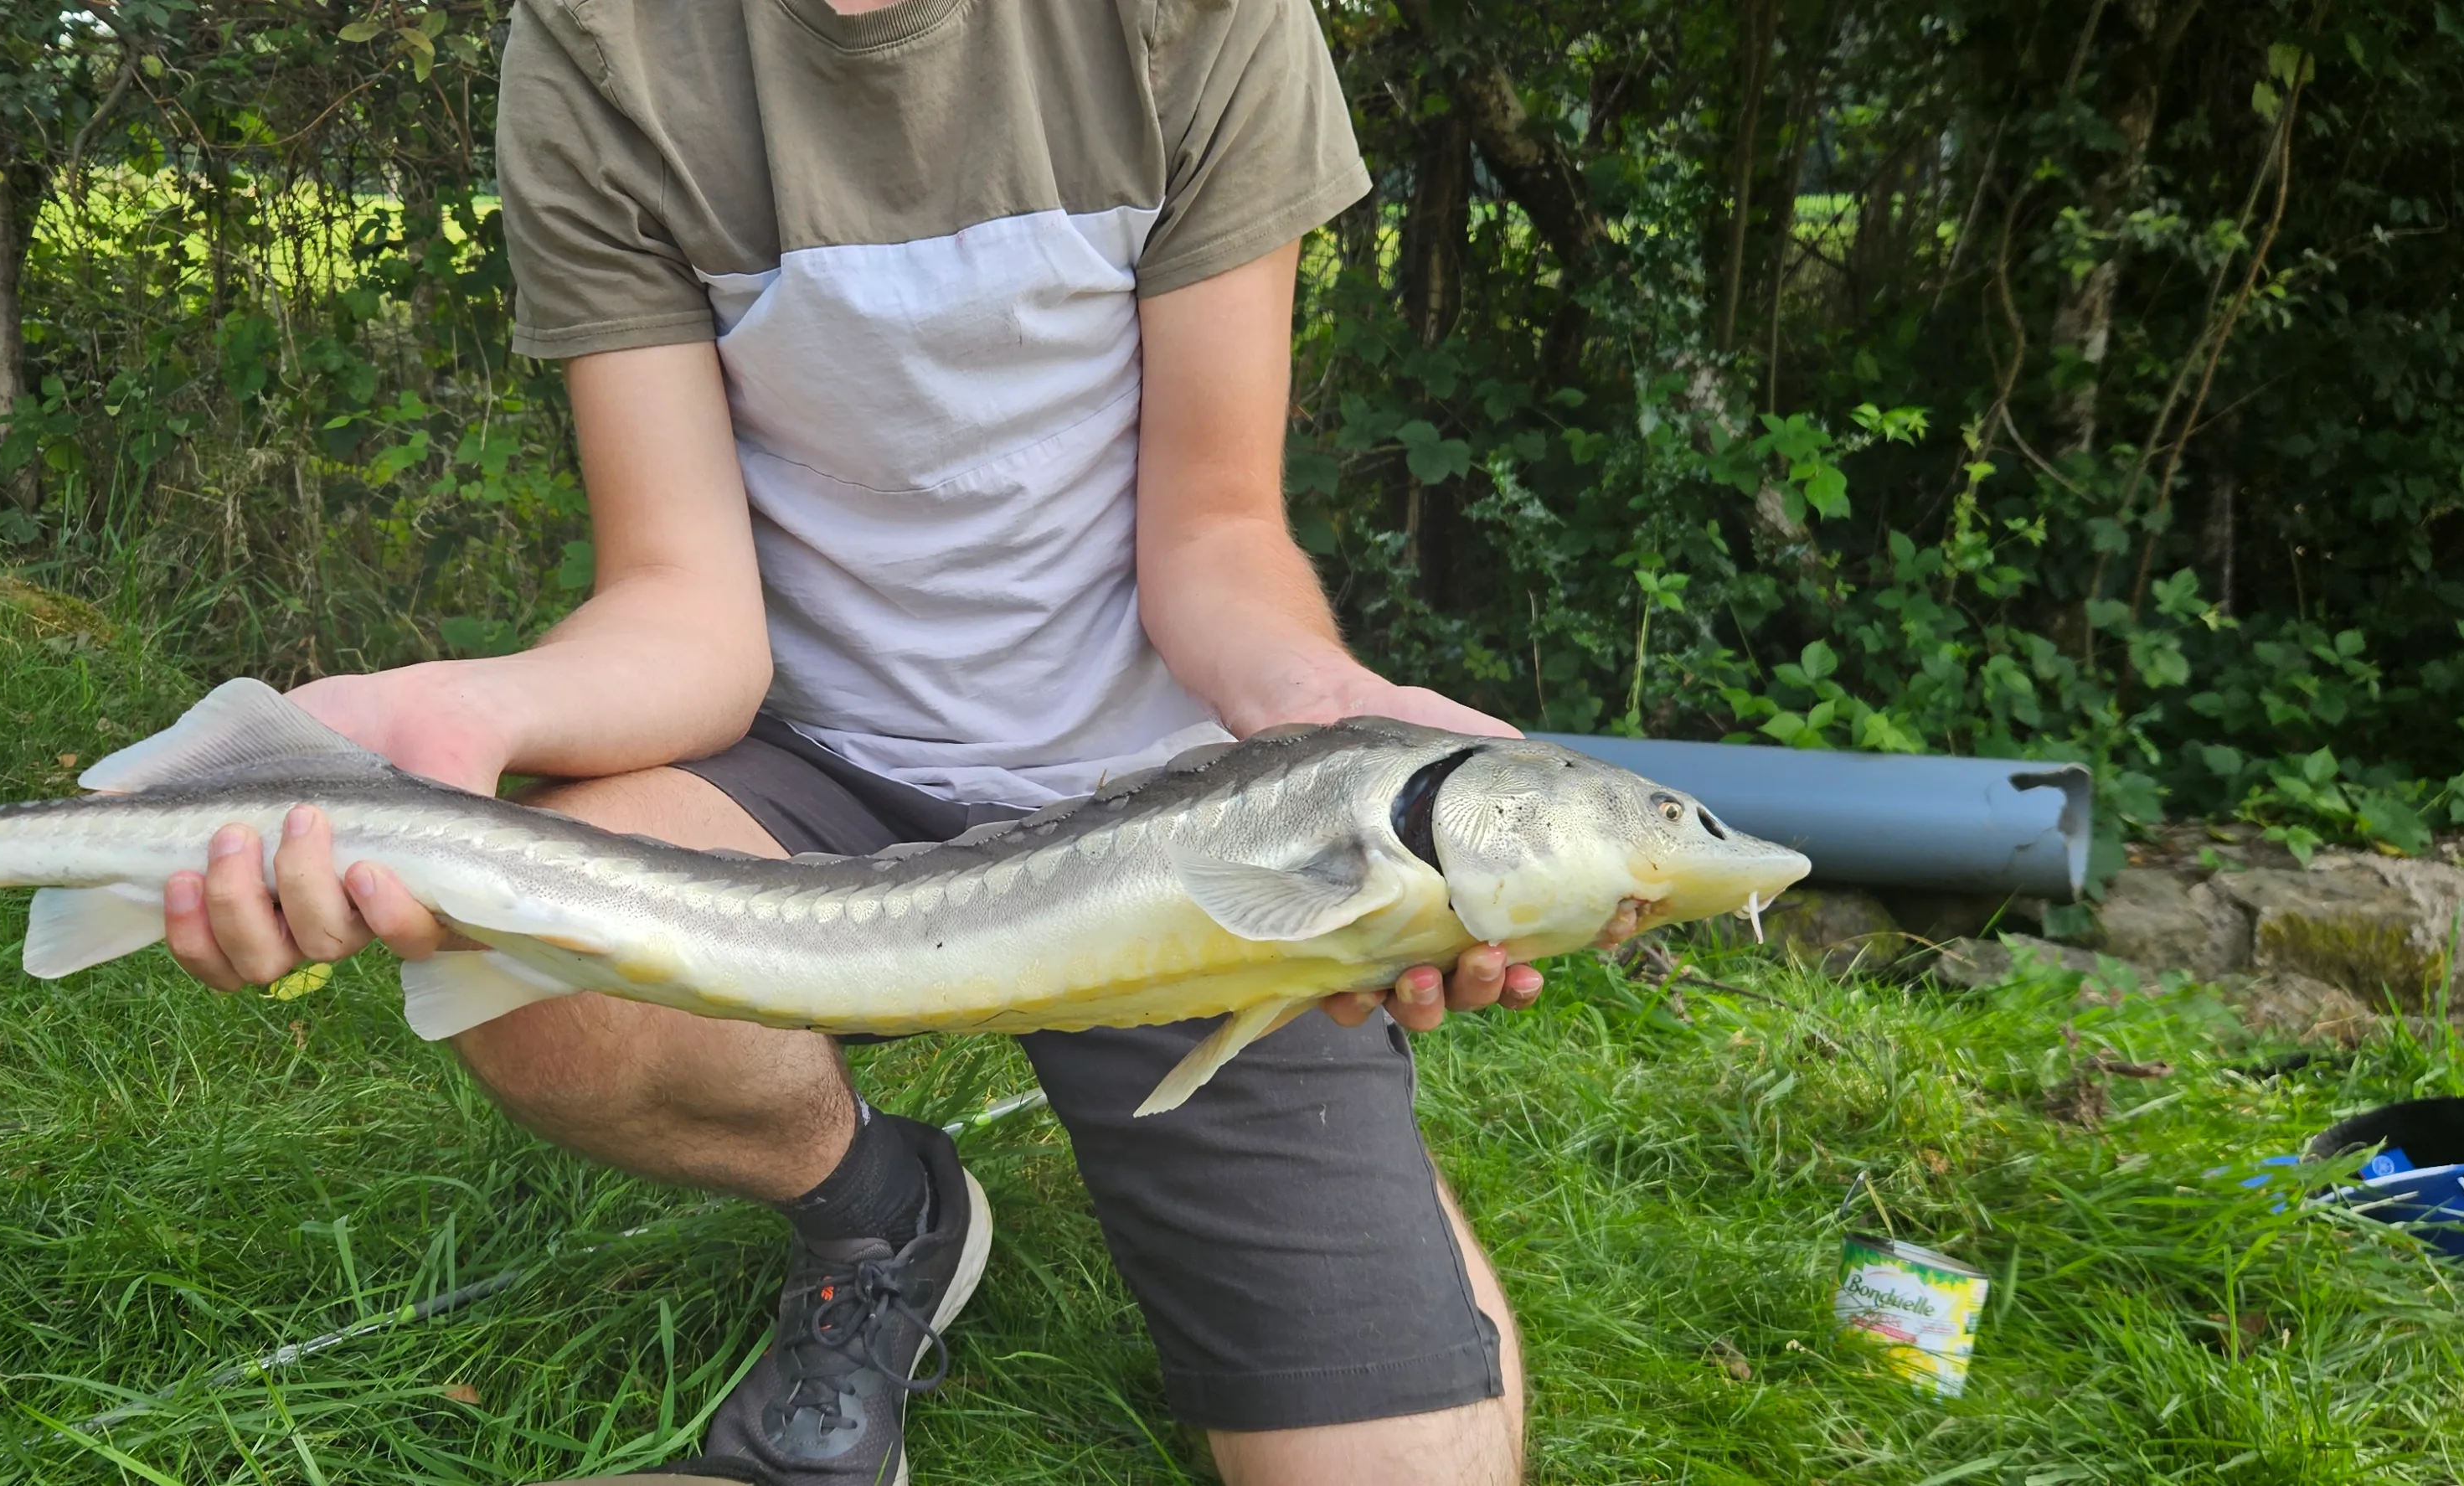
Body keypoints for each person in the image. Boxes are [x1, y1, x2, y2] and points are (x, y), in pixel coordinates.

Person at [157, 0, 1547, 1480]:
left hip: (1183, 828)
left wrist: (1330, 722)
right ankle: (883, 1207)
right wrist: (477, 713)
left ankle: (1338, 1198)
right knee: (529, 964)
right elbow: (686, 608)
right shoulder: (601, 40)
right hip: (817, 793)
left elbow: (1212, 533)